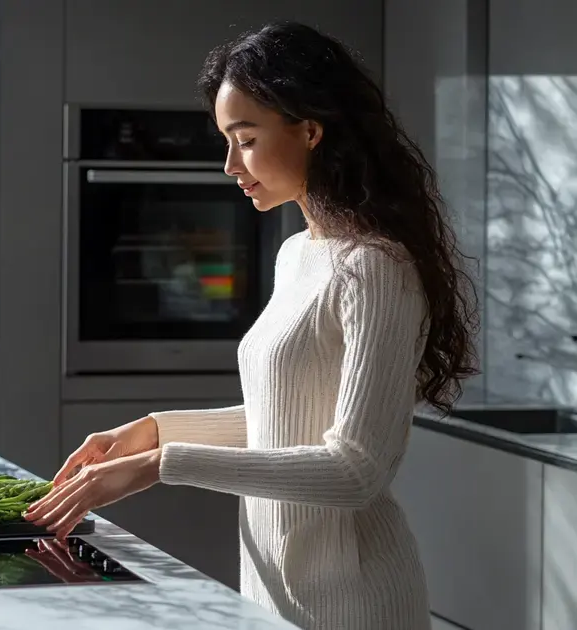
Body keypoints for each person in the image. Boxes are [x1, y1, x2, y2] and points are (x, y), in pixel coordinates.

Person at [24, 20, 479, 630]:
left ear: (311, 129)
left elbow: (356, 469)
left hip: (353, 603)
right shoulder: (296, 254)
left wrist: (164, 463)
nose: (230, 164)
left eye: (245, 138)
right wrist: (153, 432)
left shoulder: (375, 268)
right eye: (227, 141)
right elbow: (289, 415)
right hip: (270, 590)